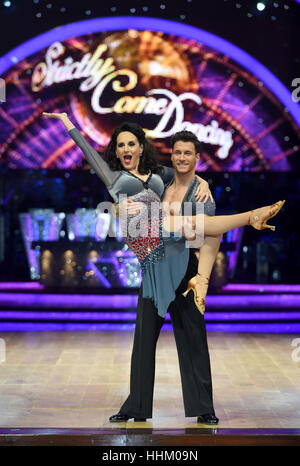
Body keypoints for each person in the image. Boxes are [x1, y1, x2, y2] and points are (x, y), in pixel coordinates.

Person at [42, 112, 285, 423]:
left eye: (132, 143)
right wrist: (66, 122)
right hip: (153, 266)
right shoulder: (116, 179)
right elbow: (87, 150)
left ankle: (204, 409)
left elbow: (188, 177)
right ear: (116, 152)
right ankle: (135, 408)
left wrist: (203, 180)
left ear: (141, 148)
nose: (126, 149)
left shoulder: (159, 177)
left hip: (182, 265)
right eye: (121, 146)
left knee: (194, 339)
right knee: (143, 344)